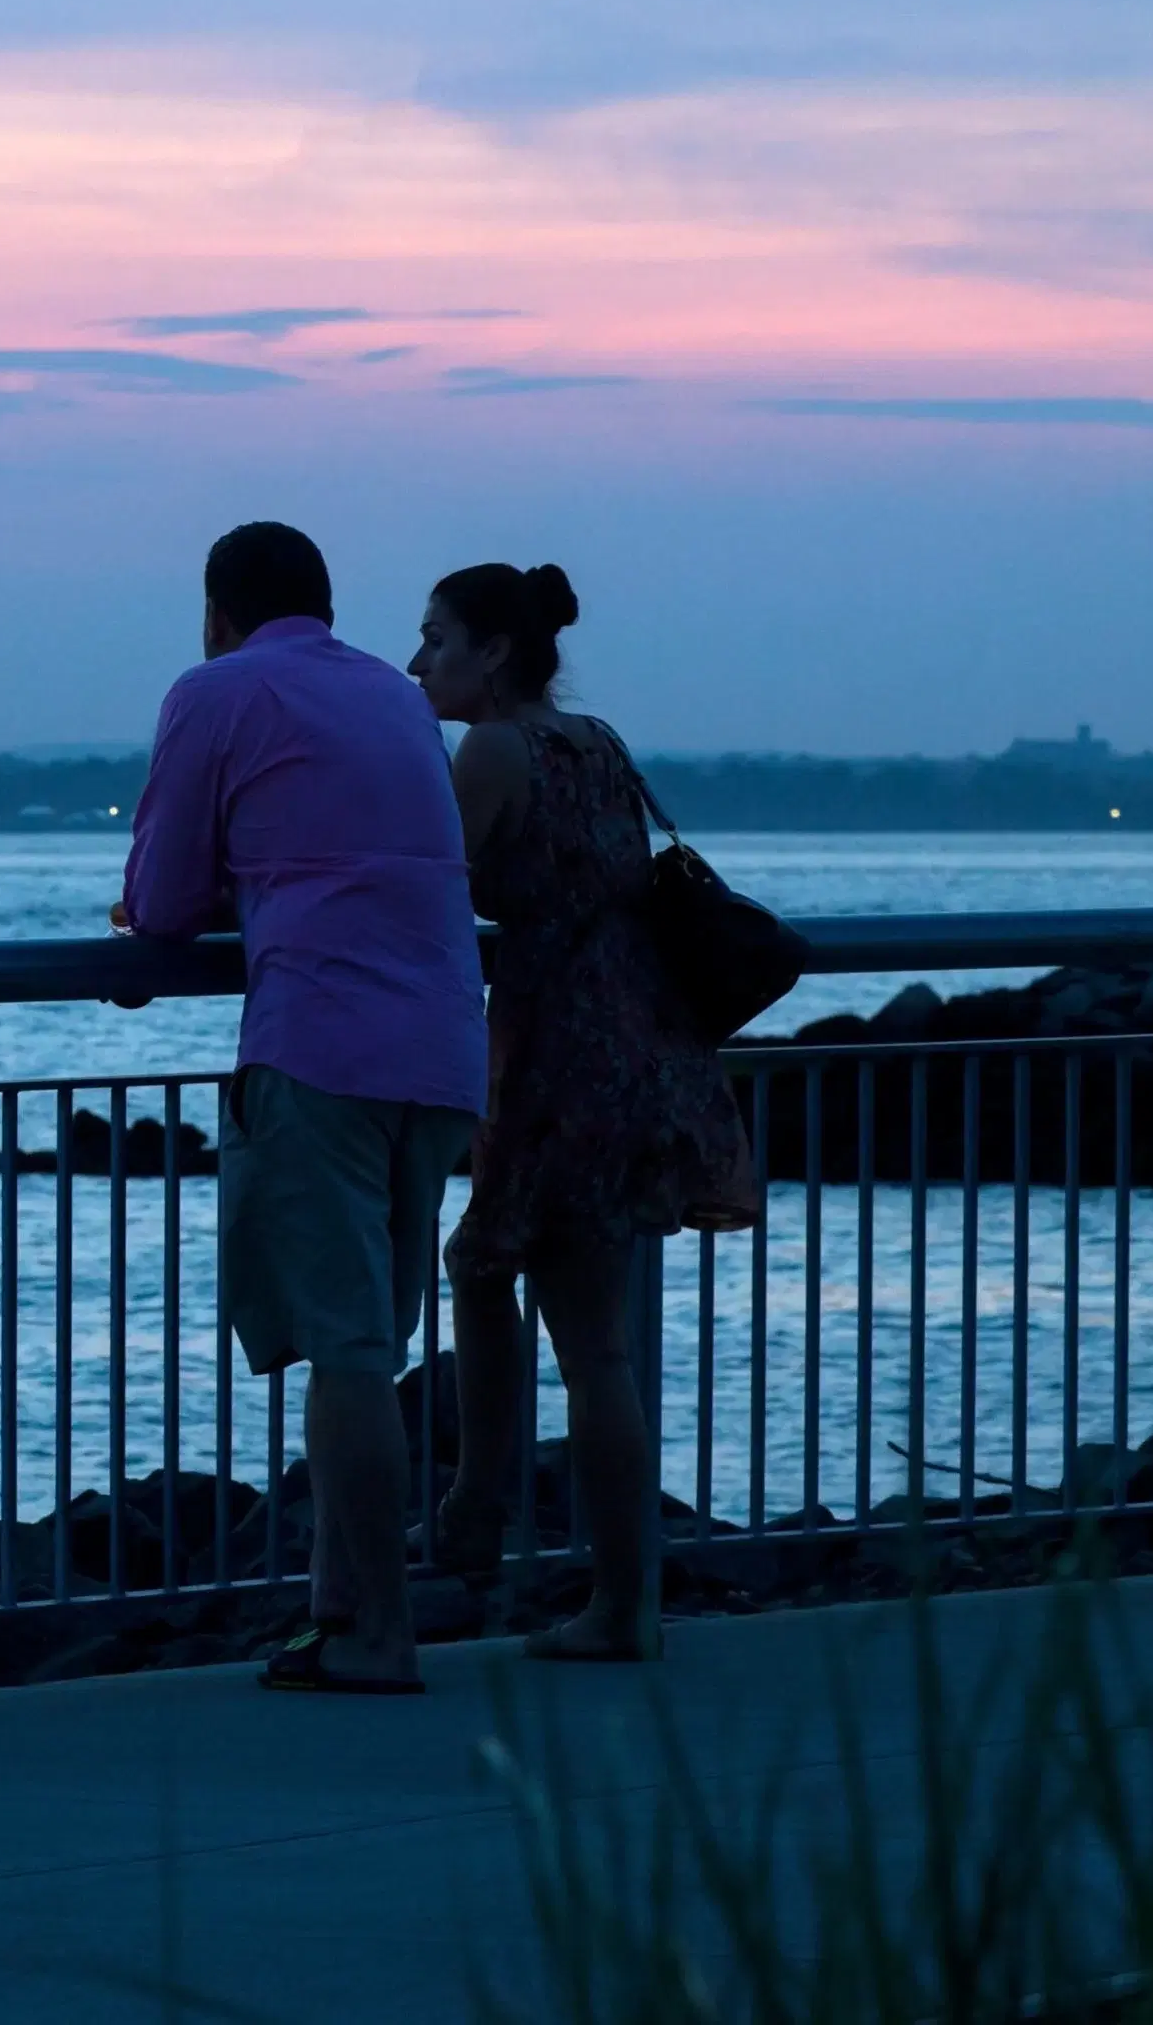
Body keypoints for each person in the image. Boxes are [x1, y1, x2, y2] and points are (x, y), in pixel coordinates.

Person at [121, 523, 486, 1693]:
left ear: (217, 610)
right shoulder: (394, 694)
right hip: (440, 1043)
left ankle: (378, 1634)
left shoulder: (217, 690)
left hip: (320, 1040)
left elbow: (165, 898)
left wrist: (181, 906)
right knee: (371, 1339)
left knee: (348, 1353)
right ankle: (339, 1614)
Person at [408, 561, 753, 1661]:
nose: (418, 664)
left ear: (494, 652)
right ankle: (588, 1574)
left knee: (524, 1296)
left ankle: (508, 1523)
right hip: (639, 1040)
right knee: (583, 1333)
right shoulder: (594, 742)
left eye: (437, 640)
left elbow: (426, 882)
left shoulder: (495, 750)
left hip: (560, 1047)